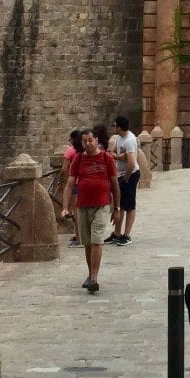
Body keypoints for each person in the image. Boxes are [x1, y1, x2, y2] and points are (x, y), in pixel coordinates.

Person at [60, 127, 120, 294]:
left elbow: (115, 184)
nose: (88, 143)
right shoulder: (78, 159)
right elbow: (70, 184)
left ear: (97, 141)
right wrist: (65, 207)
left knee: (96, 240)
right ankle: (90, 274)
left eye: (90, 140)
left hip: (102, 205)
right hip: (83, 206)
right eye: (84, 141)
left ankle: (94, 277)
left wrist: (117, 209)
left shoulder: (106, 158)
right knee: (87, 243)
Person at [108, 115, 139, 245]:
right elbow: (112, 152)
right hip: (121, 175)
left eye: (115, 125)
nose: (114, 127)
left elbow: (131, 163)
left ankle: (126, 235)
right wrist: (120, 157)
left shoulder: (129, 140)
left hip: (130, 175)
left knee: (129, 205)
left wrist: (125, 179)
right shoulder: (119, 138)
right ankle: (117, 233)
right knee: (119, 204)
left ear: (119, 127)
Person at [60, 129, 82, 247]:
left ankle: (79, 237)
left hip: (74, 183)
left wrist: (61, 182)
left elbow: (64, 169)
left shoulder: (70, 151)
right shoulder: (83, 151)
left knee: (76, 211)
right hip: (84, 183)